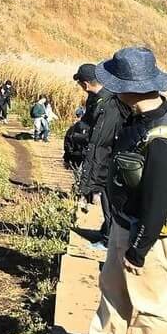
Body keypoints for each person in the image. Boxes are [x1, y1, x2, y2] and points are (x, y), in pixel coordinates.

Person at [60, 47, 167, 334]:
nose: (111, 89)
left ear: (132, 86)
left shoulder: (163, 134)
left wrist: (139, 249)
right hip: (124, 222)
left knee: (150, 303)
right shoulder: (137, 115)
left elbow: (158, 202)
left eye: (116, 83)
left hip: (153, 235)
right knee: (112, 288)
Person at [75, 62, 125, 250]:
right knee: (107, 199)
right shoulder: (104, 99)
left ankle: (109, 240)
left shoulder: (108, 104)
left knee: (109, 200)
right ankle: (107, 232)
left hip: (109, 161)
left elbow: (101, 141)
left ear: (86, 84)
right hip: (108, 159)